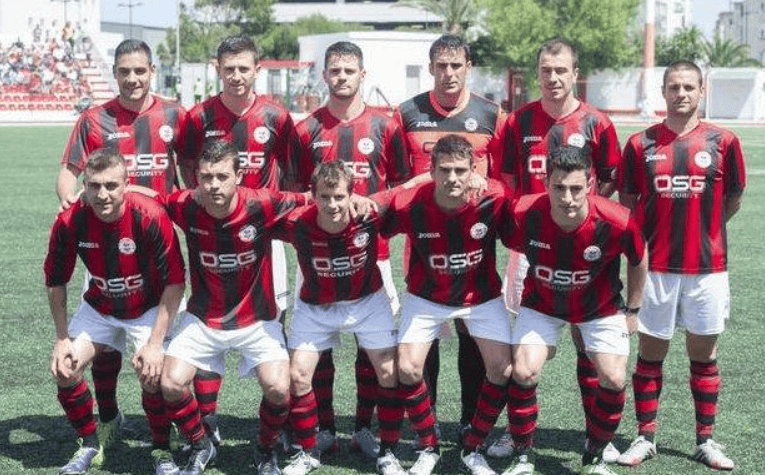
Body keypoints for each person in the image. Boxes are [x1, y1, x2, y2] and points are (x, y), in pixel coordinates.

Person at [487, 37, 622, 461]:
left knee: (588, 342)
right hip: (531, 250)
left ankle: (594, 435)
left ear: (575, 73)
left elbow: (610, 180)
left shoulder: (597, 123)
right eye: (546, 70)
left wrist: (581, 221)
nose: (553, 77)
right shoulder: (518, 122)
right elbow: (506, 181)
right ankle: (515, 433)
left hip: (585, 250)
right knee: (522, 350)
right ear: (537, 73)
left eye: (561, 70)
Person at [55, 38, 188, 465]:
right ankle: (109, 420)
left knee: (162, 356)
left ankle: (173, 431)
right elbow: (68, 173)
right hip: (105, 244)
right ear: (115, 74)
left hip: (157, 242)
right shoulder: (94, 119)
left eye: (140, 71)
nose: (132, 79)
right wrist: (69, 201)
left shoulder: (174, 115)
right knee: (106, 341)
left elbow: (191, 172)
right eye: (124, 71)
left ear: (152, 71)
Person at [615, 60, 745, 471]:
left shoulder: (724, 141)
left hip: (708, 269)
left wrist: (706, 229)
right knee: (650, 354)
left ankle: (705, 440)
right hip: (655, 269)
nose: (681, 93)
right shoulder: (640, 144)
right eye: (674, 86)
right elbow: (628, 203)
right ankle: (645, 436)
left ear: (701, 91)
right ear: (663, 91)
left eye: (689, 87)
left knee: (703, 355)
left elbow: (733, 198)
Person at [284, 40, 410, 458]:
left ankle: (363, 428)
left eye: (349, 71)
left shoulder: (385, 126)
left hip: (371, 255)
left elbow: (400, 188)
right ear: (325, 75)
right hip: (316, 259)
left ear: (362, 75)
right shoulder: (306, 130)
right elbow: (293, 192)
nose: (342, 78)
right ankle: (323, 429)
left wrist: (370, 206)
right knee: (315, 350)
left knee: (371, 350)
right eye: (335, 71)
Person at [492, 145, 647, 475]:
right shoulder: (523, 212)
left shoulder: (617, 220)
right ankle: (523, 455)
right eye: (559, 187)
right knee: (524, 371)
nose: (567, 197)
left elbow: (638, 258)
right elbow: (498, 233)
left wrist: (633, 309)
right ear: (546, 183)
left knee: (613, 377)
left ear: (590, 184)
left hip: (600, 307)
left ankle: (594, 454)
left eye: (576, 188)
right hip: (542, 304)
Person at [159, 140, 308, 475]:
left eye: (222, 176)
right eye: (206, 177)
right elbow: (149, 198)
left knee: (279, 387)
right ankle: (202, 444)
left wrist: (356, 200)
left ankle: (265, 449)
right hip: (203, 319)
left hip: (256, 319)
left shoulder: (262, 202)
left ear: (239, 176)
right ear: (196, 178)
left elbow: (311, 199)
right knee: (170, 383)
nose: (213, 185)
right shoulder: (185, 204)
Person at [180, 35, 297, 446]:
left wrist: (276, 213)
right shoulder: (198, 117)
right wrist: (201, 200)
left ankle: (278, 425)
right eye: (229, 68)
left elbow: (292, 172)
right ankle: (208, 420)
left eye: (243, 68)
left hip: (261, 235)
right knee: (209, 317)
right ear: (218, 70)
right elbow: (187, 164)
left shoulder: (276, 116)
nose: (236, 76)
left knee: (273, 315)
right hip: (211, 234)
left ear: (257, 69)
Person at [374, 134, 514, 475]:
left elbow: (521, 227)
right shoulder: (410, 202)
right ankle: (428, 445)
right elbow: (372, 211)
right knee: (407, 368)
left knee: (503, 369)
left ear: (473, 170)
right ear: (432, 171)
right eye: (445, 170)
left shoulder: (493, 196)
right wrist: (408, 184)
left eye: (461, 170)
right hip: (426, 297)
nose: (453, 178)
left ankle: (473, 446)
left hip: (481, 298)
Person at [44, 148, 186, 475]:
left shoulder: (150, 215)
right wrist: (62, 338)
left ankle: (162, 449)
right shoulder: (70, 220)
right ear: (84, 186)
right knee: (65, 369)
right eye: (94, 186)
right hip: (101, 307)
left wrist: (155, 343)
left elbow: (176, 283)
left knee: (153, 375)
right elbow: (55, 281)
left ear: (126, 184)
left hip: (148, 307)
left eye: (111, 185)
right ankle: (89, 443)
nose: (103, 194)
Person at [393, 33, 505, 436]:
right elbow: (397, 178)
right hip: (424, 245)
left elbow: (502, 179)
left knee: (472, 334)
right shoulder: (407, 113)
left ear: (468, 67)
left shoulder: (491, 115)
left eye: (456, 65)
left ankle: (470, 420)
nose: (449, 73)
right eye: (441, 65)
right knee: (427, 338)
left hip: (475, 243)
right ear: (430, 68)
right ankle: (428, 421)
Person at [275, 160, 401, 475]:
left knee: (389, 371)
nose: (332, 205)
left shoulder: (369, 215)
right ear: (313, 196)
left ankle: (385, 451)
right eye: (325, 197)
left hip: (367, 302)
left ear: (351, 195)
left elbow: (409, 191)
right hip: (316, 307)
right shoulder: (296, 222)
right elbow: (259, 209)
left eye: (339, 197)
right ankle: (310, 450)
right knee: (297, 375)